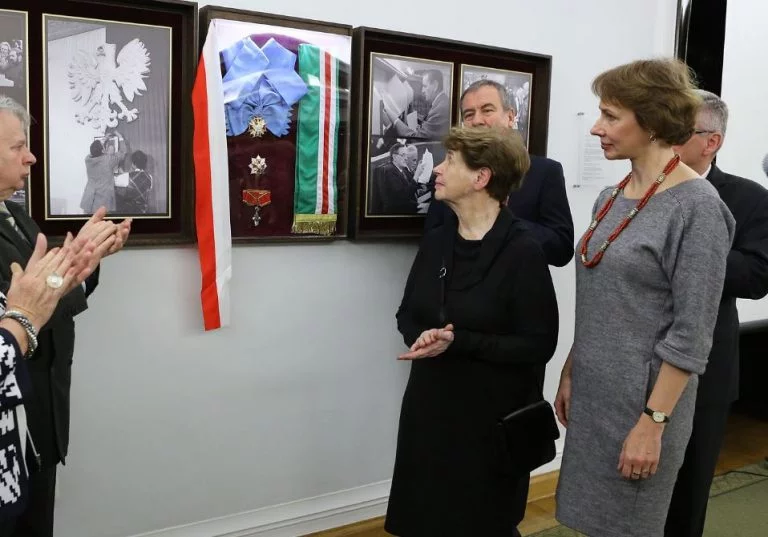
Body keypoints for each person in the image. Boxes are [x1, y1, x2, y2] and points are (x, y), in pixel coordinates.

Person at [554, 59, 735, 537]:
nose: (597, 128)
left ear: (653, 121)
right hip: (596, 394)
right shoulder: (610, 198)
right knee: (591, 524)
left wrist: (653, 423)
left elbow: (692, 333)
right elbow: (603, 299)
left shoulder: (697, 208)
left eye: (610, 116)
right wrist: (572, 371)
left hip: (644, 407)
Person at [385, 126, 559, 537]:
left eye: (450, 161)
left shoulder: (523, 251)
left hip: (491, 422)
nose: (437, 169)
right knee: (424, 521)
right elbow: (407, 313)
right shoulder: (437, 240)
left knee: (480, 524)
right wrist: (423, 337)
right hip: (429, 410)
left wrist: (459, 342)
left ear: (481, 178)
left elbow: (539, 344)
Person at [0, 95, 130, 537]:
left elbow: (45, 300)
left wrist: (82, 263)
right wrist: (63, 276)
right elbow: (22, 315)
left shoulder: (18, 217)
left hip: (42, 415)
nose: (31, 157)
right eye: (18, 146)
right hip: (10, 421)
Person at [664, 90, 768, 537]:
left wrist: (691, 250)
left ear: (712, 142)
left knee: (686, 492)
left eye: (679, 131)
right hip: (638, 360)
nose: (666, 138)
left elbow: (757, 277)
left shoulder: (749, 199)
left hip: (704, 368)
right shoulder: (644, 188)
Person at [424, 80, 574, 267]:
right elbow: (431, 240)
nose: (477, 121)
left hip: (517, 280)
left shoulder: (545, 172)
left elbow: (561, 248)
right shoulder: (450, 172)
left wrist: (499, 221)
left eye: (487, 110)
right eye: (469, 114)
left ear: (510, 117)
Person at [0, 231, 95, 522]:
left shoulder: (14, 213)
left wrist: (73, 270)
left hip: (27, 430)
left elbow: (33, 291)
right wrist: (24, 315)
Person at [383, 69, 449, 140]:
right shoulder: (441, 102)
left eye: (425, 86)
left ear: (435, 85)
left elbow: (416, 139)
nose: (422, 91)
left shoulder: (441, 109)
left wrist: (395, 119)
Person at [80, 130, 127, 213]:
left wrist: (104, 139)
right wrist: (120, 137)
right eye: (103, 147)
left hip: (89, 201)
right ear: (103, 150)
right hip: (102, 202)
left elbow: (94, 150)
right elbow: (123, 152)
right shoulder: (108, 160)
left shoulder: (88, 160)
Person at [370, 142, 419, 215]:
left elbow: (410, 187)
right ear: (394, 157)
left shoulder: (403, 169)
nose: (406, 158)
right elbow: (404, 196)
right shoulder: (389, 171)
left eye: (406, 155)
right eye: (403, 155)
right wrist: (417, 174)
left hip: (408, 207)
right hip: (395, 213)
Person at [117, 150, 153, 214]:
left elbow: (113, 181)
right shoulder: (150, 177)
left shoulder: (126, 177)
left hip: (131, 212)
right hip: (144, 212)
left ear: (133, 164)